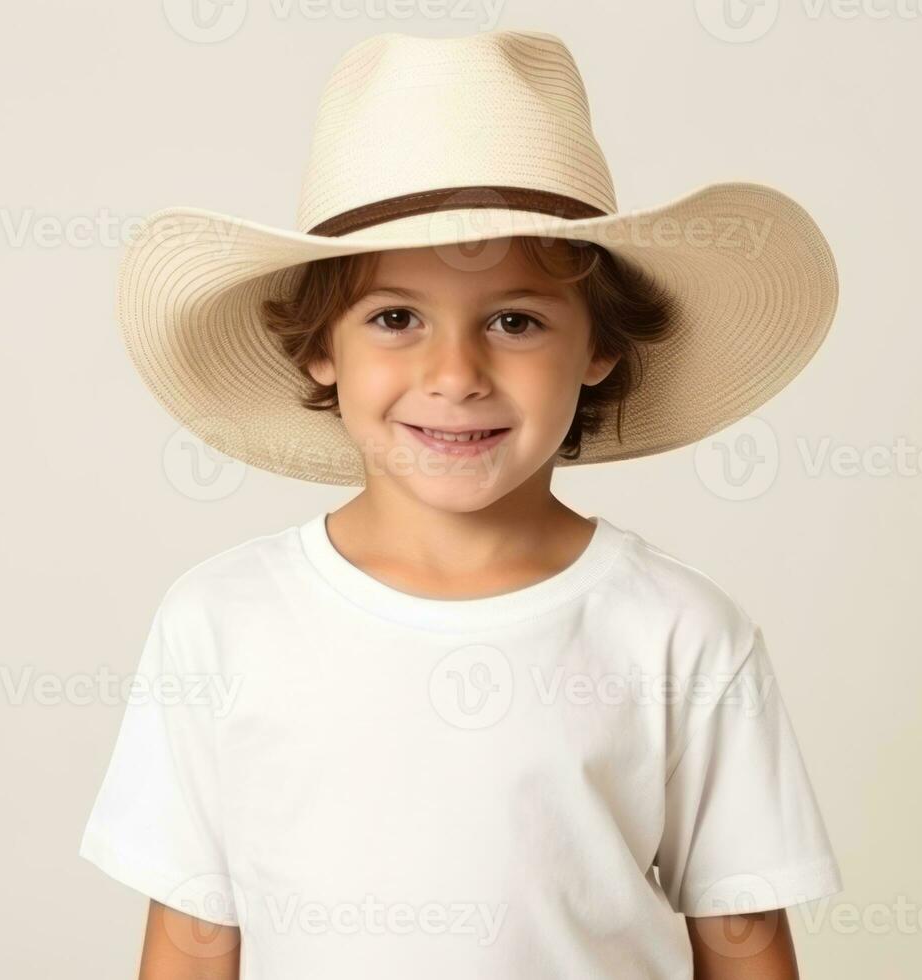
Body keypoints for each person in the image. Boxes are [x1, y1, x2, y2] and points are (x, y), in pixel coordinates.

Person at [80, 29, 844, 980]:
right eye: (395, 318)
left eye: (514, 321)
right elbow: (194, 937)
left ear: (599, 347)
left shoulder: (679, 631)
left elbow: (741, 937)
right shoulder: (220, 620)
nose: (454, 374)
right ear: (320, 348)